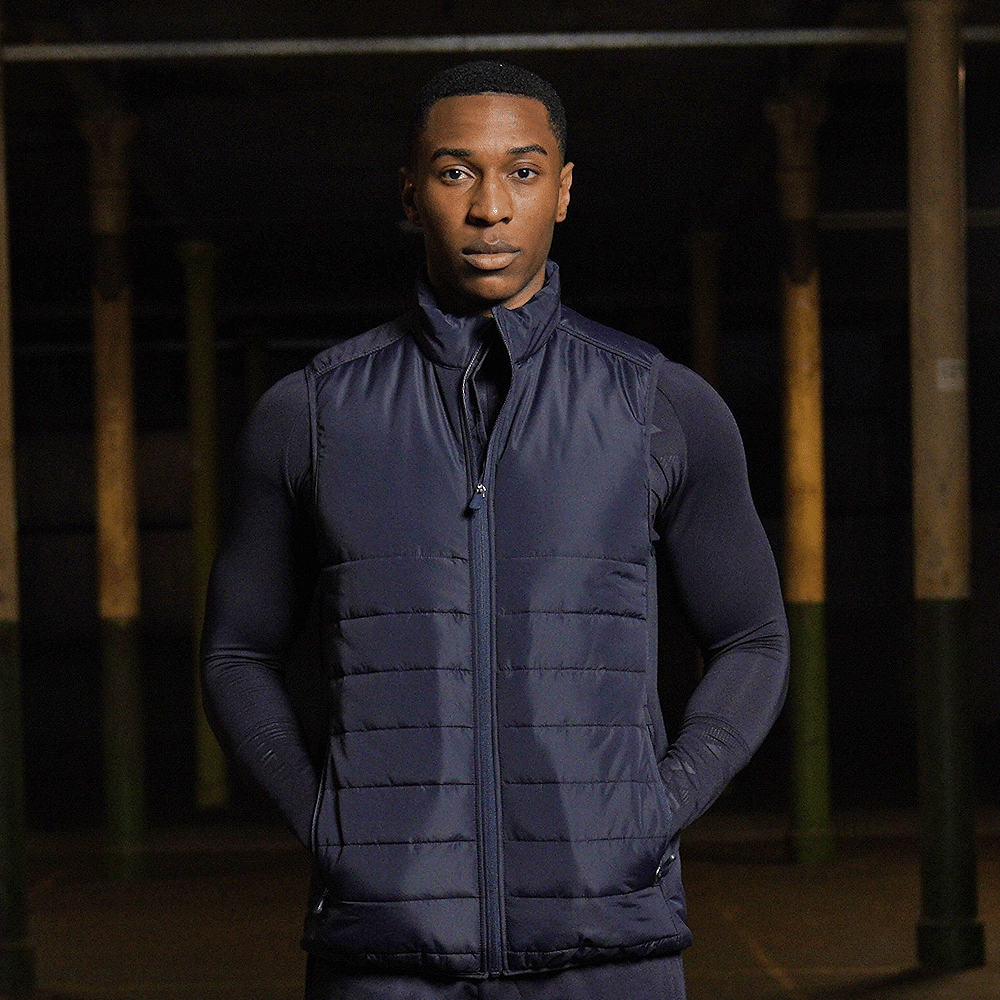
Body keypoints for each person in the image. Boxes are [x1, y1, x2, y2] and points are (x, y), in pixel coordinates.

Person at [201, 60, 789, 1000]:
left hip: (610, 948)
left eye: (522, 171)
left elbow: (753, 637)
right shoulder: (310, 414)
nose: (489, 208)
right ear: (410, 193)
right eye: (454, 172)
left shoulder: (660, 407)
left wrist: (652, 810)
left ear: (564, 190)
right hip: (385, 954)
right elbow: (237, 652)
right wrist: (331, 825)